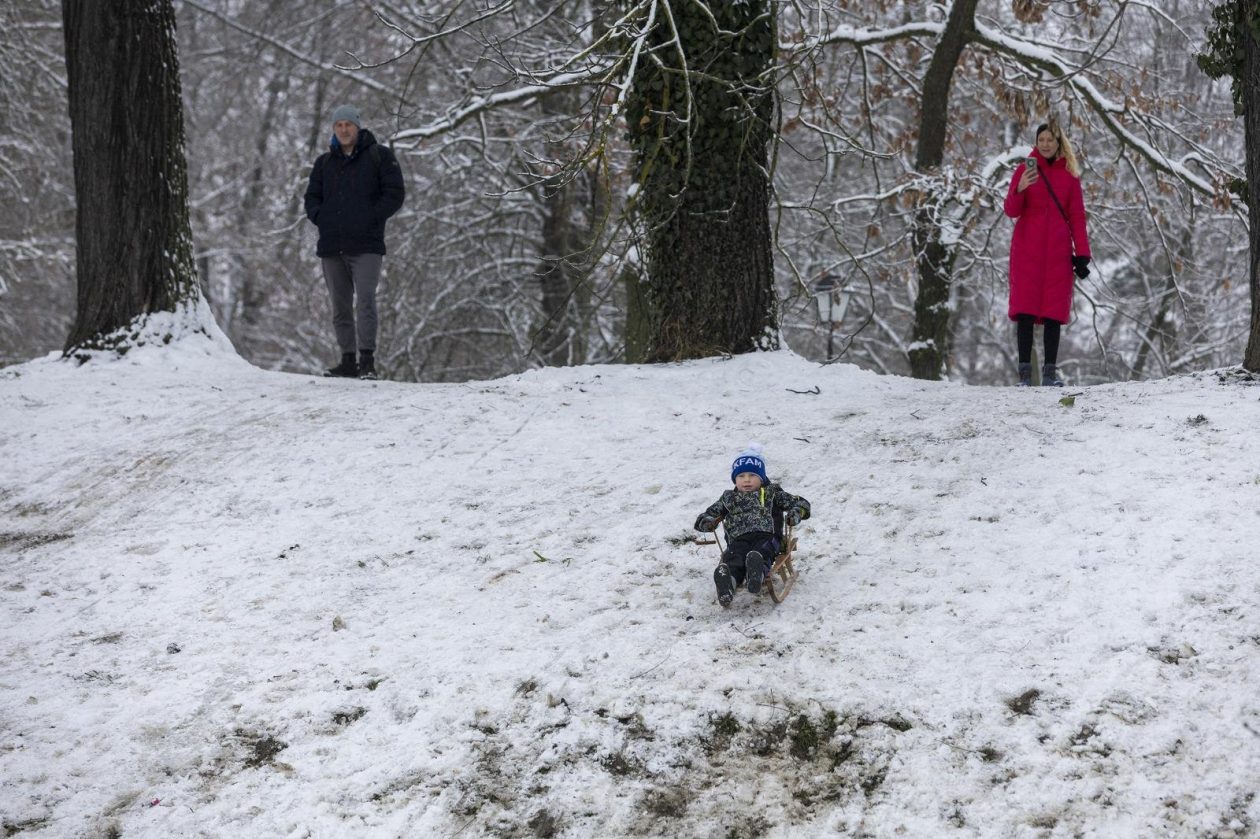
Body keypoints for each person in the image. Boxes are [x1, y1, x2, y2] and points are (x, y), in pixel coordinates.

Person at [304, 104, 405, 380]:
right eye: (339, 125)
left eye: (348, 124)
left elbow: (395, 193)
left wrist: (372, 217)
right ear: (334, 130)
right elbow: (311, 197)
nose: (344, 129)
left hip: (366, 246)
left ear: (357, 127)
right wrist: (319, 216)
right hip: (331, 246)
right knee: (339, 305)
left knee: (366, 302)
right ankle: (347, 360)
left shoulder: (379, 156)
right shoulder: (324, 163)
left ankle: (367, 360)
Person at [1004, 121, 1092, 387]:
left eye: (1050, 140)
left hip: (1057, 250)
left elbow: (1077, 216)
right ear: (1036, 142)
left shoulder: (1069, 175)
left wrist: (1083, 253)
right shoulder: (1024, 170)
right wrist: (1020, 188)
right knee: (1025, 312)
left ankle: (1050, 375)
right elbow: (1011, 210)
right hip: (1027, 249)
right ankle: (1024, 376)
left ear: (1059, 143)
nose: (1045, 144)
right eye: (1041, 139)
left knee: (1054, 312)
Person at [694, 444, 811, 608]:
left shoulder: (772, 493)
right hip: (738, 539)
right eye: (741, 475)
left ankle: (756, 575)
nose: (747, 480)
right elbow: (707, 514)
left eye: (752, 475)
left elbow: (801, 503)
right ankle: (728, 583)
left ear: (762, 478)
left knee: (760, 552)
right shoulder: (728, 498)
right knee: (734, 557)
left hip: (768, 536)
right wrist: (707, 521)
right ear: (735, 479)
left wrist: (796, 513)